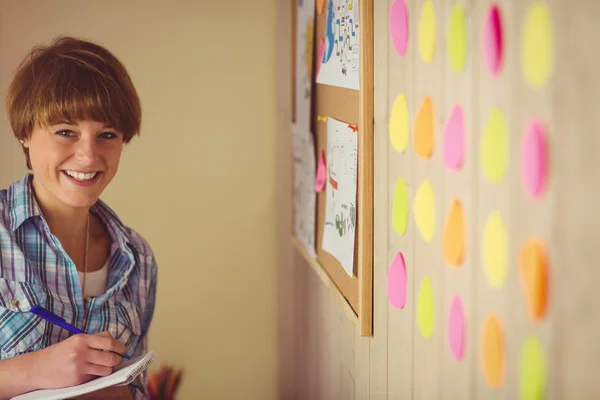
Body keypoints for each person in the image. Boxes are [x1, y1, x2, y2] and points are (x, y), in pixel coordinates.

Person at [0, 36, 158, 400]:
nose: (88, 156)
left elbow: (135, 387)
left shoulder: (138, 260)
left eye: (106, 135)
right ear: (25, 132)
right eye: (66, 132)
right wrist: (35, 370)